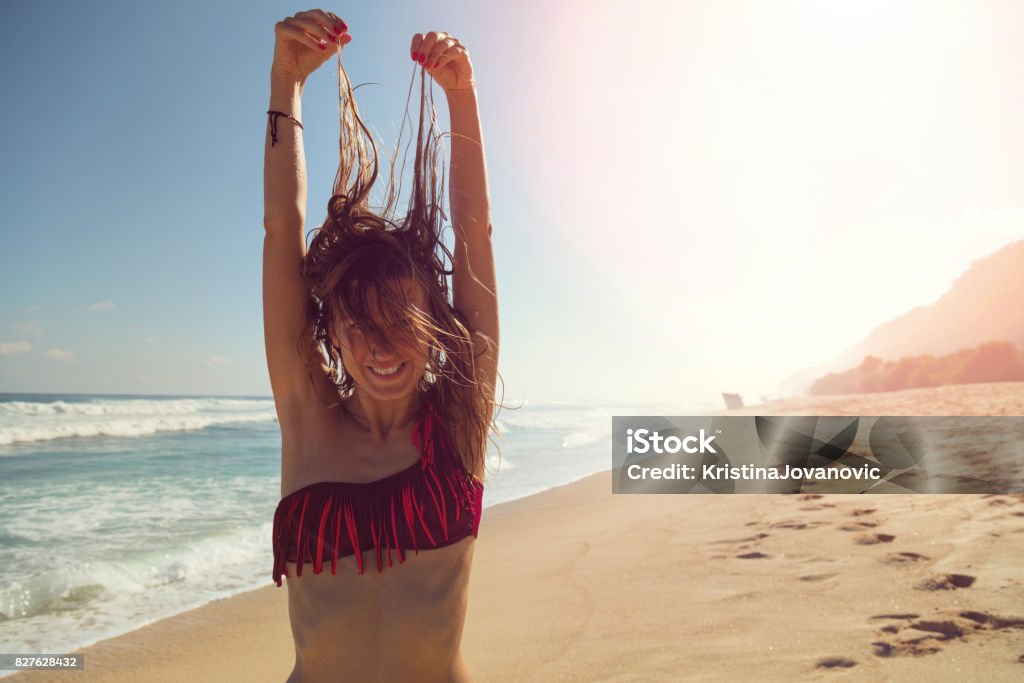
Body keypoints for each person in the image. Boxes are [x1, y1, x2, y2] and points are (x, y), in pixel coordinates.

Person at [262, 9, 500, 682]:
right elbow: (282, 230)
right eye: (359, 322)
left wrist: (462, 94)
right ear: (330, 333)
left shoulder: (460, 421)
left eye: (401, 317)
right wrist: (286, 83)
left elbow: (475, 233)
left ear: (433, 322)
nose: (382, 343)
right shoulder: (307, 420)